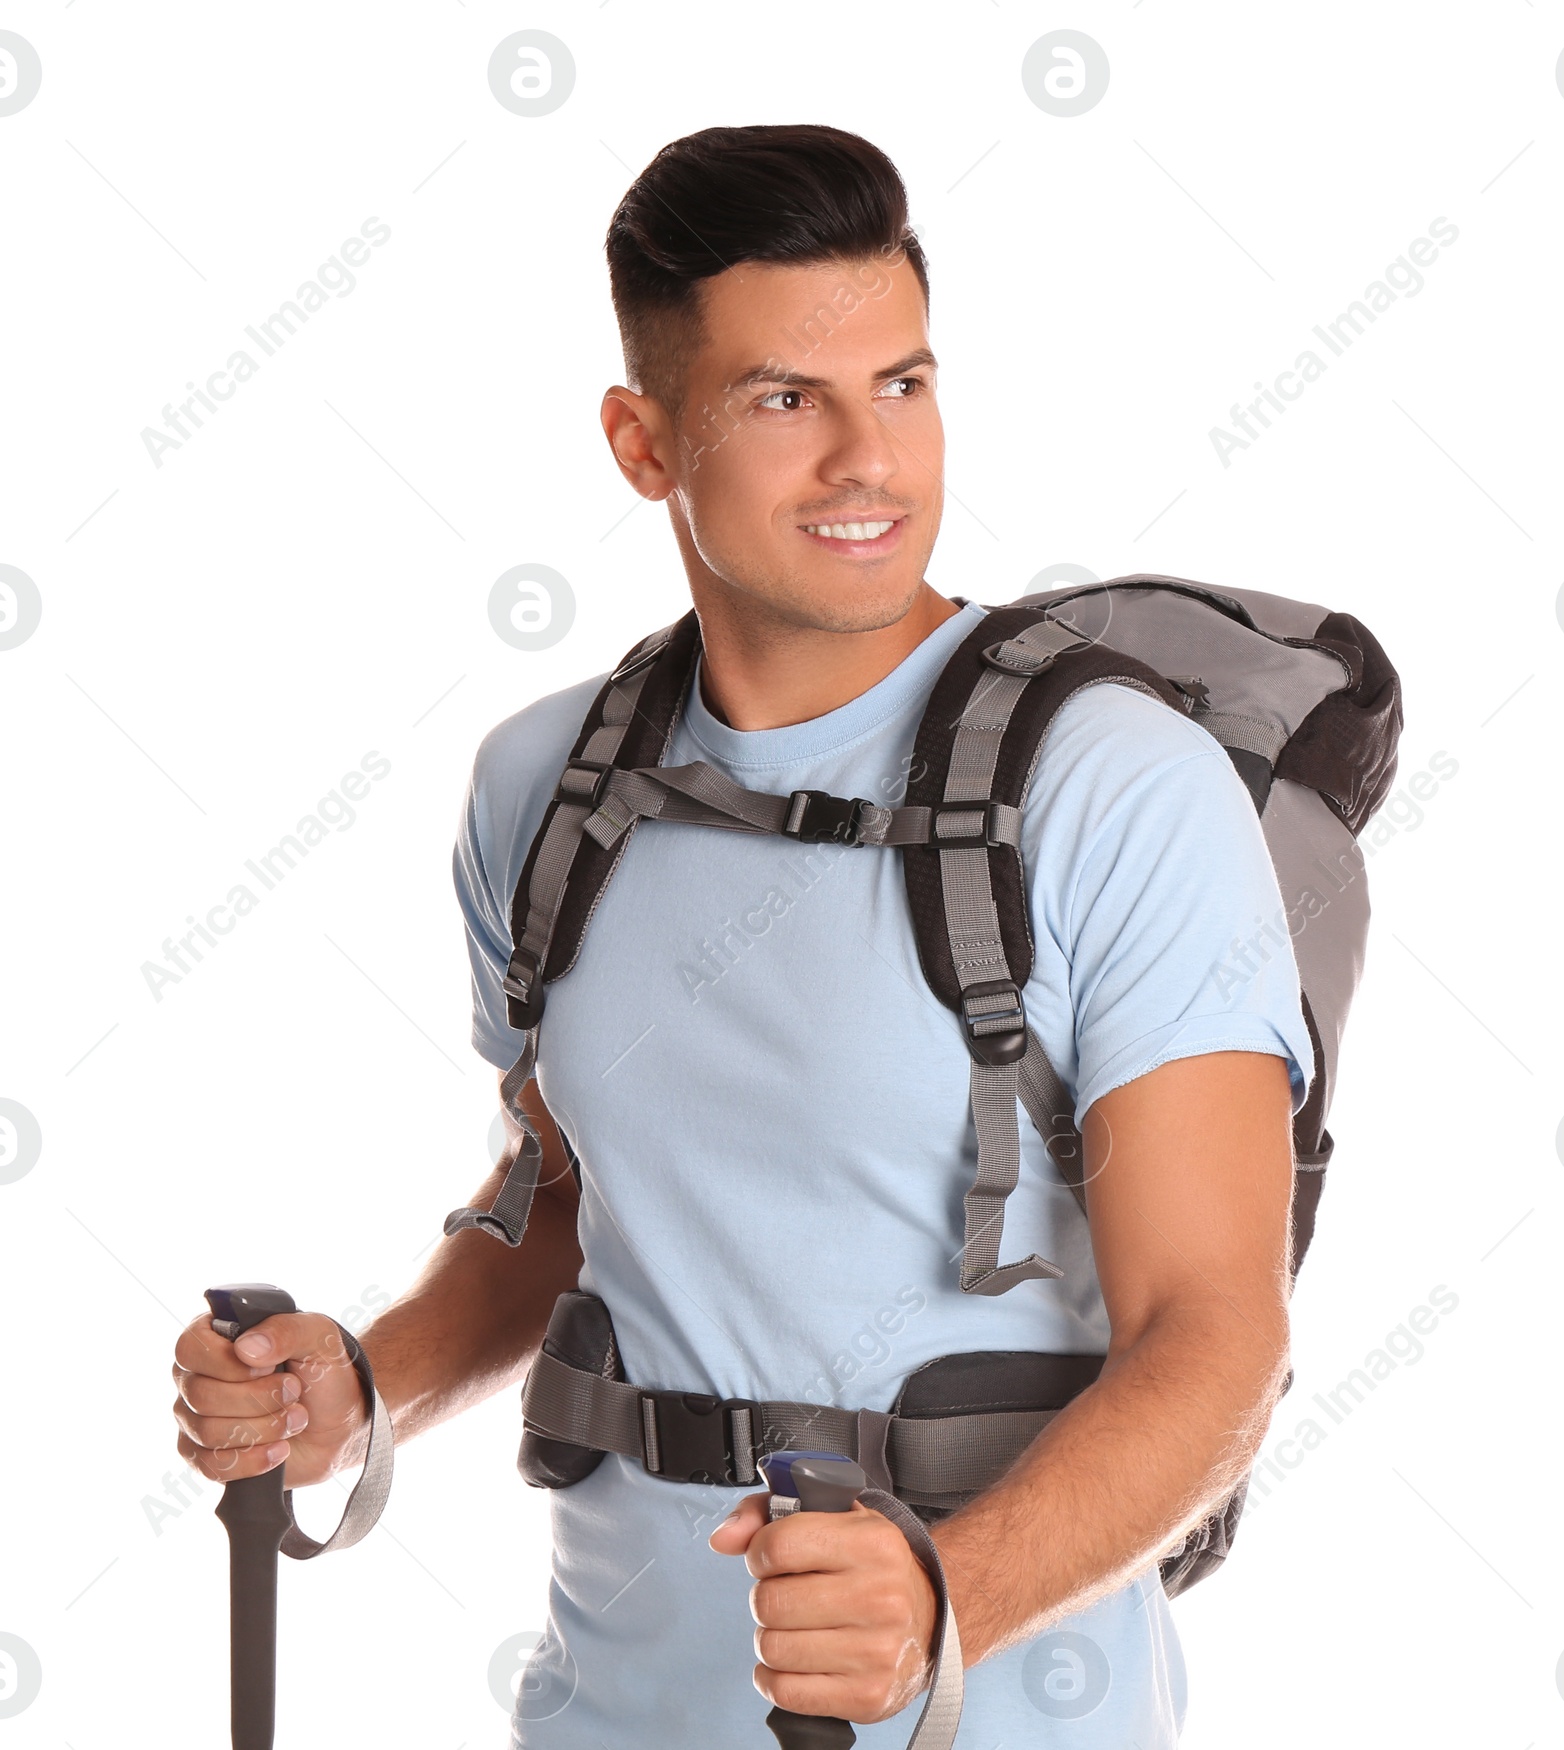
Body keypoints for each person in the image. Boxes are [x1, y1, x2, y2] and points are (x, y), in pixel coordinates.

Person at [171, 124, 1313, 1745]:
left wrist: (941, 1605)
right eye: (788, 399)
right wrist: (361, 1381)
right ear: (644, 441)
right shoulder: (551, 785)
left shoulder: (1114, 786)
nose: (870, 461)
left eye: (903, 387)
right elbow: (566, 1197)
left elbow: (1218, 1335)